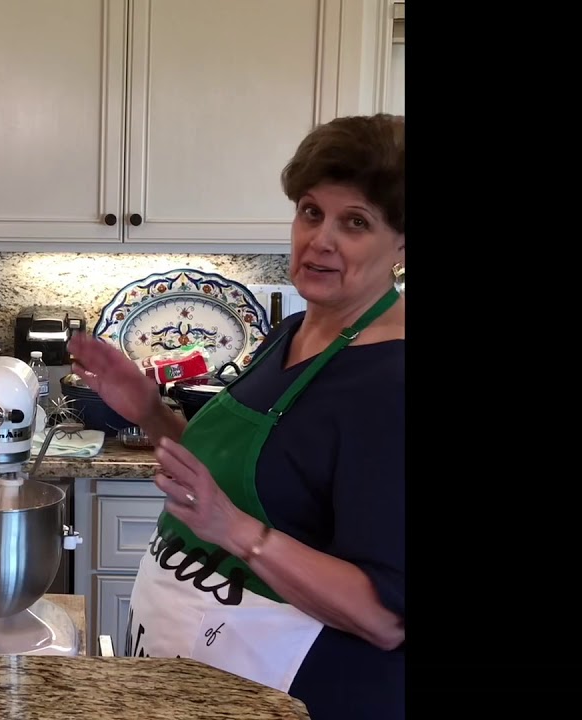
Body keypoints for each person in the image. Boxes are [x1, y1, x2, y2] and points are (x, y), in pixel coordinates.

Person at [68, 113, 405, 720]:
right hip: (211, 678)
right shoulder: (292, 332)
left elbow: (383, 618)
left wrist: (237, 532)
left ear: (401, 243)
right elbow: (231, 480)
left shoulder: (391, 380)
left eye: (355, 222)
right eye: (311, 212)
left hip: (303, 697)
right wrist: (148, 410)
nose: (320, 239)